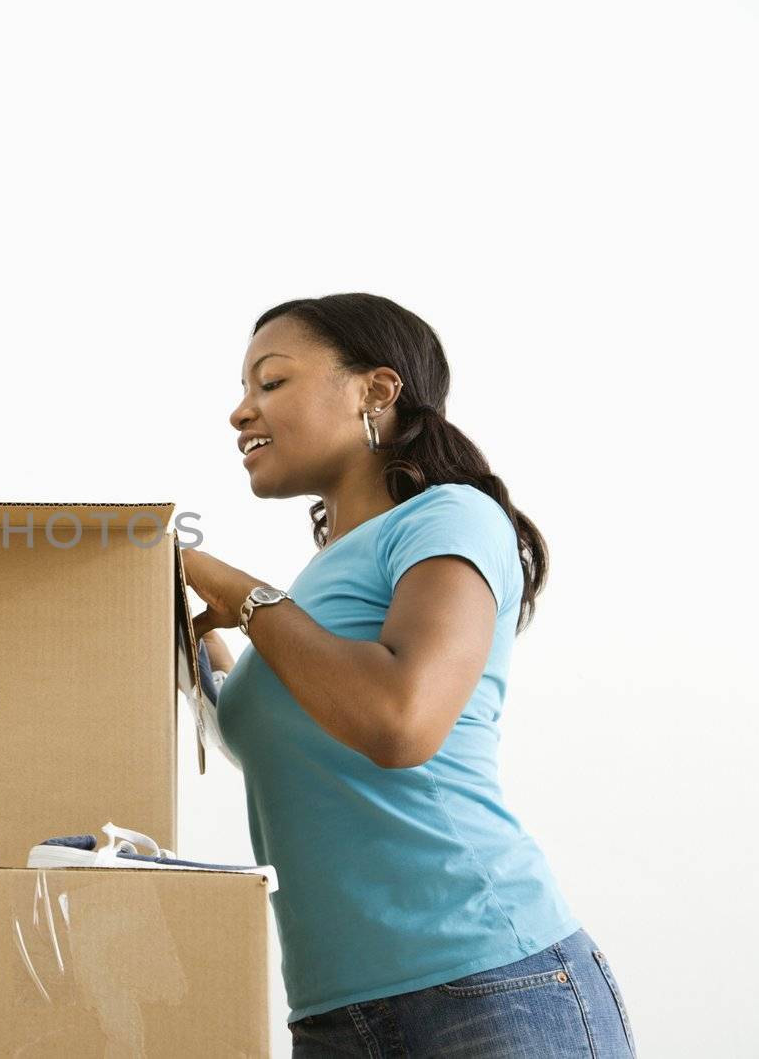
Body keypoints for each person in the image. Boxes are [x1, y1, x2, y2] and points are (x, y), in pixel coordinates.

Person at [182, 294, 637, 1058]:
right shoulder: (324, 580)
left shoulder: (449, 518)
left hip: (489, 988)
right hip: (334, 1015)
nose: (239, 411)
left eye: (271, 382)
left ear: (377, 391)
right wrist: (178, 635)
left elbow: (399, 721)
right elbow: (296, 727)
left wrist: (235, 589)